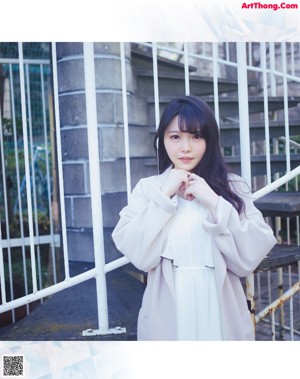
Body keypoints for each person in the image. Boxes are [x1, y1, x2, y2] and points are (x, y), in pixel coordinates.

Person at [112, 95, 277, 341]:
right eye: (175, 137)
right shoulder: (148, 189)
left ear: (209, 140)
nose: (185, 147)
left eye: (196, 136)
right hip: (169, 308)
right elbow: (138, 253)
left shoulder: (233, 186)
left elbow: (251, 253)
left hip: (220, 306)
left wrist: (213, 201)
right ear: (163, 140)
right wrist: (164, 195)